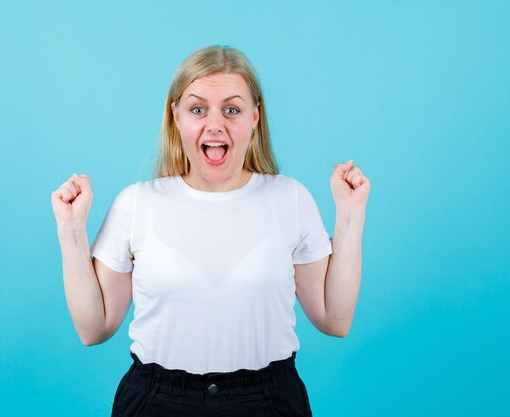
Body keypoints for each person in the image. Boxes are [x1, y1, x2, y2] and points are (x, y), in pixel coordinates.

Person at [51, 45, 370, 417]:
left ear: (255, 116)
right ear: (176, 117)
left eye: (231, 109)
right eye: (198, 109)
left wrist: (350, 215)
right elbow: (94, 328)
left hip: (267, 401)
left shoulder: (290, 198)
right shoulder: (136, 204)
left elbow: (336, 319)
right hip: (158, 401)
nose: (215, 124)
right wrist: (71, 231)